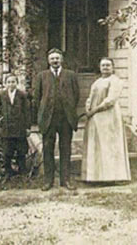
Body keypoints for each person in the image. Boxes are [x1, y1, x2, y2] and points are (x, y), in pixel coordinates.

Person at [33, 47, 80, 191]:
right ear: (48, 61)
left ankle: (65, 180)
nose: (55, 61)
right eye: (52, 58)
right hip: (48, 119)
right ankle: (48, 181)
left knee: (65, 149)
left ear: (62, 60)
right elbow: (37, 98)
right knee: (48, 149)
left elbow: (76, 95)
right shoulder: (42, 76)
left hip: (66, 118)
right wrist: (43, 113)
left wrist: (69, 108)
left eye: (57, 58)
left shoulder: (70, 75)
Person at [82, 57, 131, 183]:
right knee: (97, 145)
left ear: (113, 67)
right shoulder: (97, 82)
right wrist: (88, 108)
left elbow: (110, 100)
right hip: (95, 117)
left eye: (108, 65)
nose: (105, 68)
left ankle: (111, 177)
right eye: (103, 65)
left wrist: (95, 110)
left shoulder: (116, 81)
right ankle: (95, 176)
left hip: (108, 116)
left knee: (109, 146)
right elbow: (90, 97)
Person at [0, 73, 31, 180]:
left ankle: (22, 172)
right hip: (7, 127)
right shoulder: (2, 95)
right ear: (5, 83)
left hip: (19, 127)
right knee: (7, 151)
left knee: (21, 150)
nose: (11, 84)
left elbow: (27, 111)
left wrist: (27, 127)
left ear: (17, 83)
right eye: (9, 82)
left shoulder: (22, 95)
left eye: (13, 82)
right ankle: (8, 172)